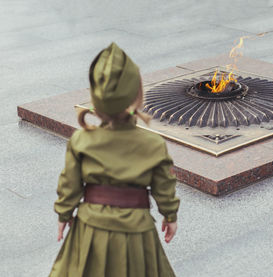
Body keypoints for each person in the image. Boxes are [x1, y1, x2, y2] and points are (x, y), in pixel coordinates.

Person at [49, 42, 180, 277]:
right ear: (137, 97)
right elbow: (164, 186)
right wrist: (170, 215)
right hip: (136, 233)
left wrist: (64, 214)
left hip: (90, 228)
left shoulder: (81, 140)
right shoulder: (153, 145)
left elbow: (70, 184)